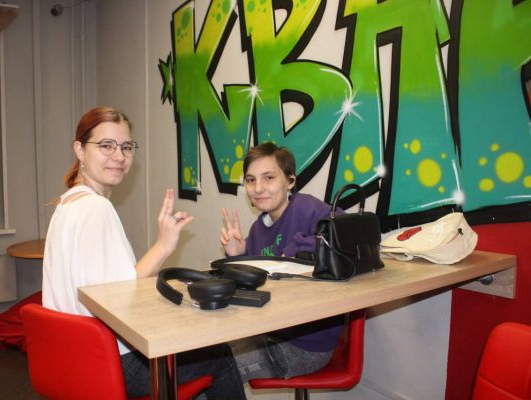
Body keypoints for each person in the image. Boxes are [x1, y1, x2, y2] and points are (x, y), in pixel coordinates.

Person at [42, 107, 246, 399]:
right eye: (106, 146)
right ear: (80, 150)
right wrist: (164, 245)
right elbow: (121, 297)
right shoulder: (96, 208)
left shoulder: (67, 204)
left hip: (72, 359)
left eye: (126, 147)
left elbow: (103, 288)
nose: (119, 156)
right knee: (220, 355)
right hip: (111, 362)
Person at [220, 142, 344, 382]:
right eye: (251, 180)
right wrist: (237, 255)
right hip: (269, 332)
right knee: (203, 359)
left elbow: (344, 233)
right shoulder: (258, 229)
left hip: (306, 346)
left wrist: (295, 249)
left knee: (214, 375)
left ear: (290, 181)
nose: (258, 188)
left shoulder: (305, 207)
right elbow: (252, 284)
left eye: (268, 178)